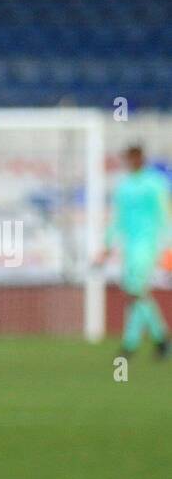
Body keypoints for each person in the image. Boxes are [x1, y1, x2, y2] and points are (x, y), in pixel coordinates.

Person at [100, 145, 170, 359]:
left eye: (133, 158)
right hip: (129, 247)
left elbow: (164, 214)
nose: (130, 163)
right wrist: (107, 245)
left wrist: (167, 246)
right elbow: (118, 219)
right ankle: (159, 339)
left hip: (148, 245)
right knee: (136, 294)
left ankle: (131, 344)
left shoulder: (155, 183)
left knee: (135, 292)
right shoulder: (124, 186)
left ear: (141, 158)